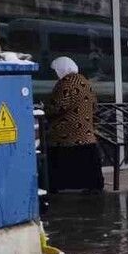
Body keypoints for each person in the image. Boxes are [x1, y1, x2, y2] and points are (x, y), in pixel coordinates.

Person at [43, 56, 104, 193]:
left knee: (57, 157)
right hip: (86, 133)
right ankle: (92, 186)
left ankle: (57, 185)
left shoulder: (66, 83)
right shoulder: (84, 81)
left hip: (67, 133)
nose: (56, 73)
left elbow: (57, 106)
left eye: (56, 70)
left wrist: (45, 108)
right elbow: (94, 105)